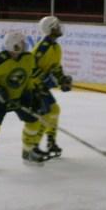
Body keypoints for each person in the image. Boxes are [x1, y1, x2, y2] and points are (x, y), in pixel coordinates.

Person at [0, 31, 47, 168]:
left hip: (21, 97)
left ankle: (28, 152)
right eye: (22, 43)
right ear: (14, 45)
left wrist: (34, 92)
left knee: (33, 123)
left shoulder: (28, 58)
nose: (25, 45)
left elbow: (29, 77)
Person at [30, 15, 72, 158]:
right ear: (50, 29)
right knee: (47, 113)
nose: (59, 28)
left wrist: (62, 79)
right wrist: (45, 79)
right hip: (33, 87)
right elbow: (30, 67)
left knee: (54, 110)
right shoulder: (43, 47)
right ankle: (33, 146)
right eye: (56, 26)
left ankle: (50, 141)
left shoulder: (56, 47)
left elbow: (56, 68)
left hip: (42, 86)